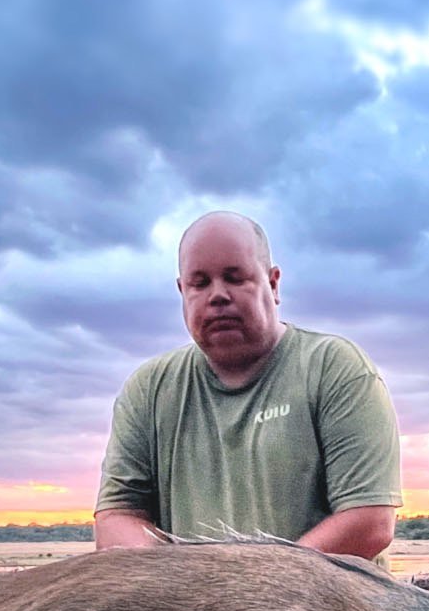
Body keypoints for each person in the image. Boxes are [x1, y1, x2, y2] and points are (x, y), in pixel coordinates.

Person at [94, 210, 402, 560]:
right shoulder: (148, 389)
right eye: (200, 283)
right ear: (182, 290)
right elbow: (115, 519)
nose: (218, 296)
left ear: (273, 283)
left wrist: (246, 591)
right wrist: (187, 584)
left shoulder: (336, 368)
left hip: (324, 610)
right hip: (190, 608)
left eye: (235, 277)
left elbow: (370, 522)